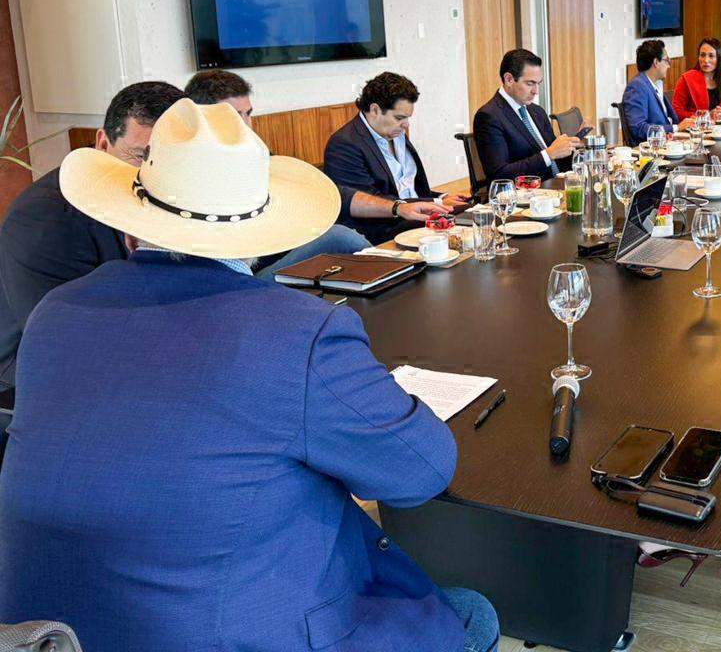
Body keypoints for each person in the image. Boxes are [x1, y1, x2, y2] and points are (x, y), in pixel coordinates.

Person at [0, 99, 498, 652]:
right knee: (469, 614)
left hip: (42, 634)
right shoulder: (299, 332)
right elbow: (421, 472)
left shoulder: (54, 314)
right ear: (261, 234)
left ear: (130, 227)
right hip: (218, 634)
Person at [0, 82, 182, 413]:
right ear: (102, 143)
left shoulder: (173, 195)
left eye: (170, 160)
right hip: (31, 372)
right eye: (140, 156)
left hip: (130, 345)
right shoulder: (46, 218)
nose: (153, 173)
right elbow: (63, 341)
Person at [185, 69, 377, 271]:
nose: (245, 125)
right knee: (341, 237)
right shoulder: (194, 173)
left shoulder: (255, 153)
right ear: (202, 117)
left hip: (283, 249)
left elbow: (305, 192)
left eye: (248, 114)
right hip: (244, 274)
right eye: (234, 115)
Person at [324, 72, 468, 244]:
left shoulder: (396, 134)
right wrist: (435, 202)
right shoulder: (345, 144)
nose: (406, 124)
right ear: (375, 110)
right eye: (400, 118)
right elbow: (367, 201)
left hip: (413, 221)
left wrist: (442, 197)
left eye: (407, 117)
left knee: (472, 214)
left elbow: (410, 189)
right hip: (382, 231)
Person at [474, 48, 582, 182]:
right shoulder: (488, 116)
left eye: (538, 83)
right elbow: (499, 174)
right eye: (530, 83)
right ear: (509, 79)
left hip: (556, 186)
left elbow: (556, 158)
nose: (536, 91)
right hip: (528, 192)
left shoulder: (537, 111)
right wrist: (548, 155)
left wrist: (576, 148)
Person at [621, 39, 689, 144]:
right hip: (651, 149)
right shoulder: (636, 87)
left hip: (667, 143)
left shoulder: (654, 84)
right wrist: (675, 128)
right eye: (666, 60)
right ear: (656, 62)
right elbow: (638, 128)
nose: (669, 65)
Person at [673, 38, 721, 120]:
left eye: (711, 56)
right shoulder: (686, 79)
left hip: (719, 126)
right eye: (702, 55)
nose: (706, 60)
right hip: (695, 126)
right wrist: (706, 116)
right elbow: (676, 112)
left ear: (719, 58)